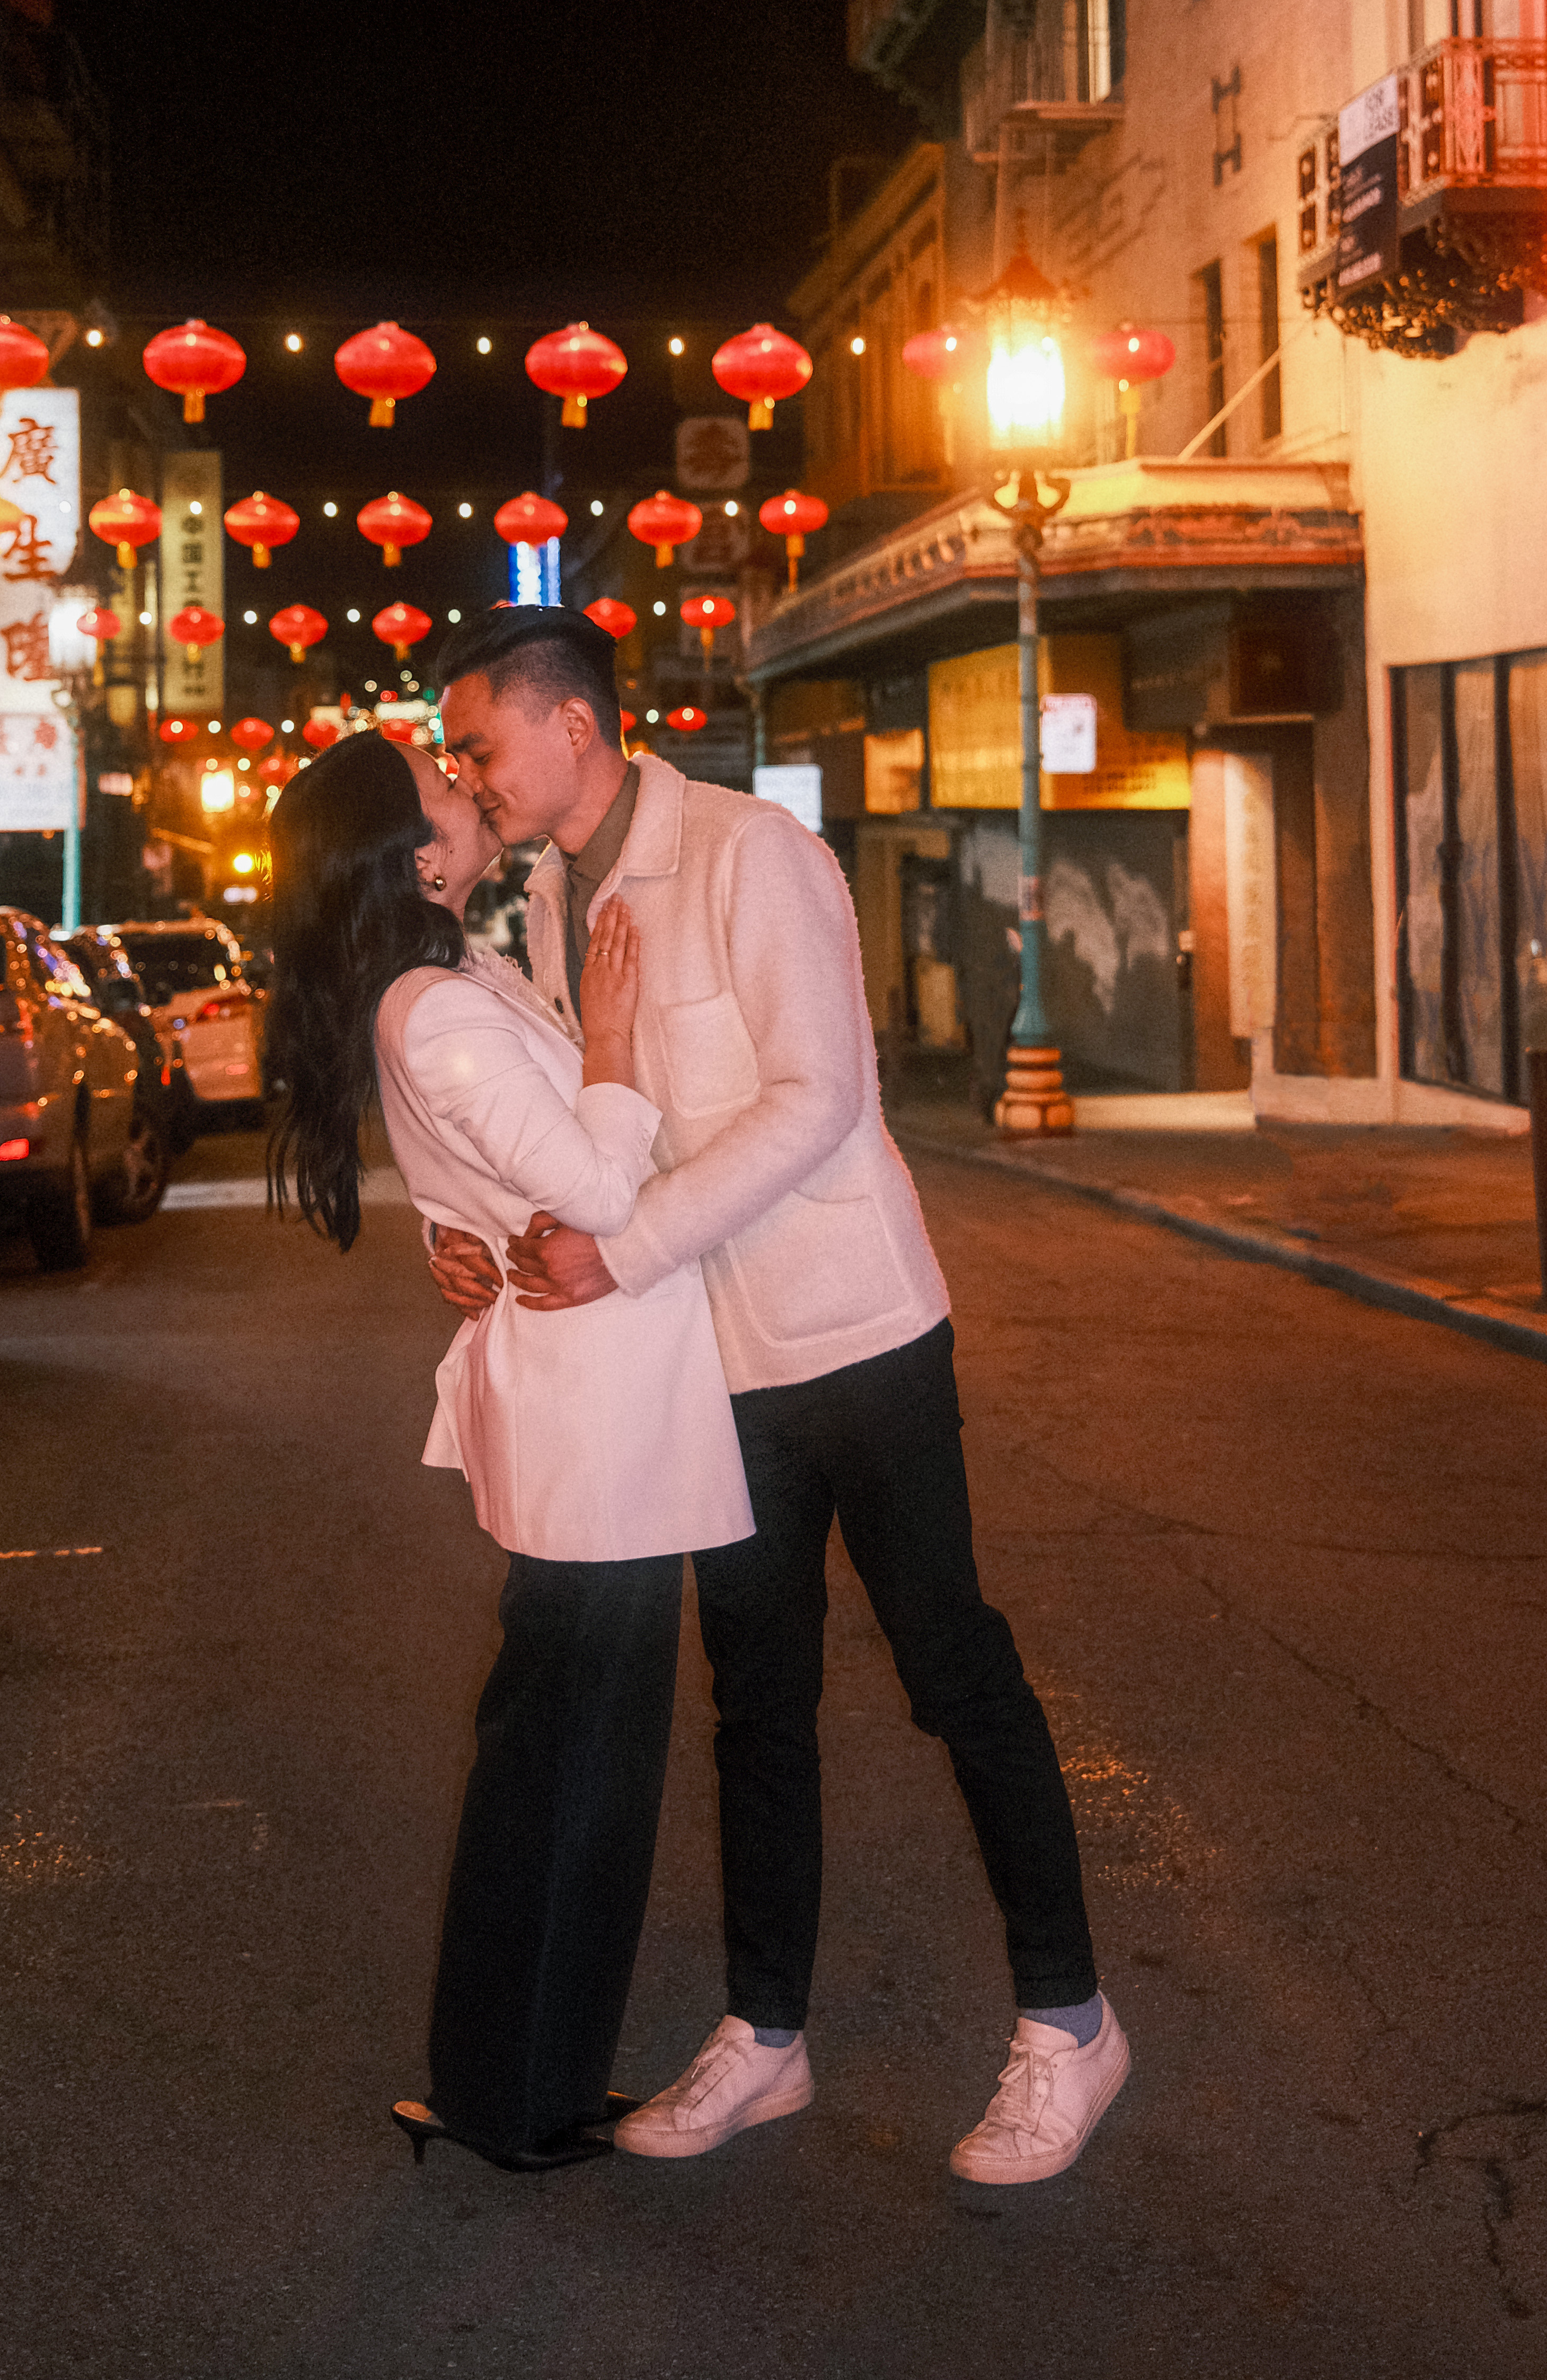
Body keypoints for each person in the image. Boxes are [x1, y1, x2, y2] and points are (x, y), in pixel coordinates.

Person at [429, 605, 1129, 2188]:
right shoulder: (547, 901)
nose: (463, 773)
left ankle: (1069, 2027)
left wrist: (633, 1249)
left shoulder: (752, 854)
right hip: (707, 1363)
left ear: (574, 727)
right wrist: (467, 1236)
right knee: (758, 1700)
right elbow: (560, 1119)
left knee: (956, 1673)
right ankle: (767, 2036)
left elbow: (824, 1096)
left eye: (478, 743)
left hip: (857, 1333)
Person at [266, 725, 752, 2176]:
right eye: (441, 789)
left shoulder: (452, 982)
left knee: (557, 1766)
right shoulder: (438, 1007)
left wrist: (456, 1230)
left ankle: (515, 2082)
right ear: (414, 856)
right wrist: (608, 1040)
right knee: (575, 1780)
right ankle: (513, 2097)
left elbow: (482, 1169)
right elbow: (600, 1183)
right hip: (597, 1425)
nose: (468, 791)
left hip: (593, 1411)